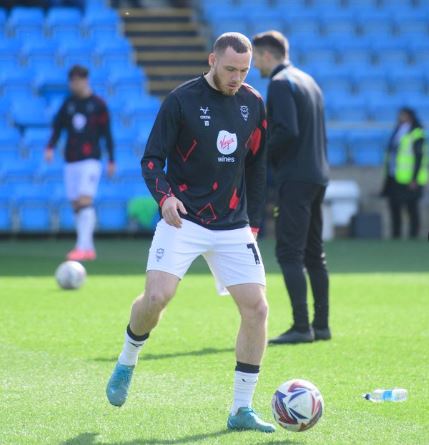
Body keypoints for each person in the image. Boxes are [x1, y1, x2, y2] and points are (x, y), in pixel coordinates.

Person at [105, 32, 275, 433]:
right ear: (212, 60)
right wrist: (164, 198)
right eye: (230, 69)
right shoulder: (181, 100)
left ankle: (241, 409)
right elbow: (151, 161)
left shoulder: (253, 103)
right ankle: (127, 359)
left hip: (232, 223)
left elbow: (257, 165)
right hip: (183, 219)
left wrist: (253, 222)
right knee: (156, 298)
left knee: (257, 309)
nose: (237, 77)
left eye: (244, 70)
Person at [252, 31, 331, 345]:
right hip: (317, 175)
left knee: (288, 252)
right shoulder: (308, 81)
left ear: (267, 55)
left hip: (295, 178)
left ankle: (301, 327)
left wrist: (259, 154)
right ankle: (321, 325)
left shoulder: (280, 83)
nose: (254, 65)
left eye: (256, 57)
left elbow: (287, 131)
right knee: (314, 253)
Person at [45, 65, 115, 261]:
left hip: (91, 159)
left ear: (85, 80)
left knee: (85, 200)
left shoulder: (98, 104)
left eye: (77, 81)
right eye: (72, 81)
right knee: (76, 204)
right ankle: (87, 248)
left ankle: (82, 247)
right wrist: (50, 147)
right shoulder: (68, 103)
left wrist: (111, 159)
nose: (74, 85)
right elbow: (58, 128)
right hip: (71, 160)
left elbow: (107, 134)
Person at [381, 107, 428, 239]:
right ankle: (396, 234)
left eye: (403, 115)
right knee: (394, 206)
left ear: (410, 116)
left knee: (412, 208)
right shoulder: (398, 130)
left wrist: (414, 178)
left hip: (410, 178)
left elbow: (419, 157)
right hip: (395, 175)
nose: (400, 117)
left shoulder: (417, 133)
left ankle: (413, 235)